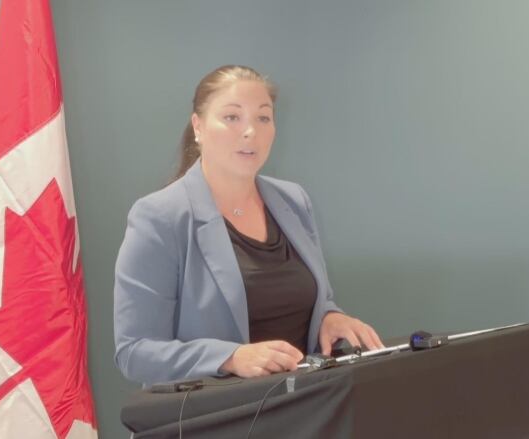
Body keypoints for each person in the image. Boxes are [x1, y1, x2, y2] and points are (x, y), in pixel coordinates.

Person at [113, 65, 383, 386]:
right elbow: (135, 352)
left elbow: (315, 299)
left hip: (305, 409)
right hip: (218, 420)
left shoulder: (294, 201)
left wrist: (329, 317)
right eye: (232, 117)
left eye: (263, 118)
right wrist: (230, 358)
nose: (250, 131)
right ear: (198, 127)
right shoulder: (158, 217)